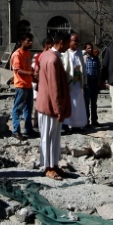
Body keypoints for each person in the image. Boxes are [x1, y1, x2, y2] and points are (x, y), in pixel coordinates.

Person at [36, 32, 71, 181]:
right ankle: (48, 167)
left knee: (54, 137)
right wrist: (58, 109)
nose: (70, 46)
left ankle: (54, 164)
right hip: (49, 105)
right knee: (48, 136)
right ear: (61, 42)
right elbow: (53, 87)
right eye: (68, 43)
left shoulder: (47, 55)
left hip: (50, 104)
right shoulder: (52, 60)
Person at [10, 33, 35, 140]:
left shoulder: (28, 53)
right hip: (21, 86)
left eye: (31, 40)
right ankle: (16, 130)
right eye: (28, 40)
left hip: (28, 85)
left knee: (28, 109)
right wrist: (30, 74)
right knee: (18, 109)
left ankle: (28, 129)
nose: (31, 43)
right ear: (22, 41)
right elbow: (17, 70)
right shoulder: (17, 54)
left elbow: (29, 67)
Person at [63, 33, 88, 132]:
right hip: (68, 82)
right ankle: (65, 125)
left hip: (77, 82)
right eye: (75, 41)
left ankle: (76, 125)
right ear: (70, 41)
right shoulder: (65, 52)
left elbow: (82, 66)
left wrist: (84, 81)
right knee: (68, 104)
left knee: (77, 105)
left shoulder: (79, 53)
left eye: (78, 41)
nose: (77, 43)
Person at [83, 42, 101, 127]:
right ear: (85, 49)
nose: (90, 49)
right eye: (88, 48)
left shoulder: (96, 59)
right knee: (86, 102)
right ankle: (86, 120)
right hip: (87, 82)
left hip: (94, 81)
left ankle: (94, 120)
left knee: (94, 102)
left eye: (91, 48)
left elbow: (98, 70)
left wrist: (99, 81)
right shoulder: (84, 58)